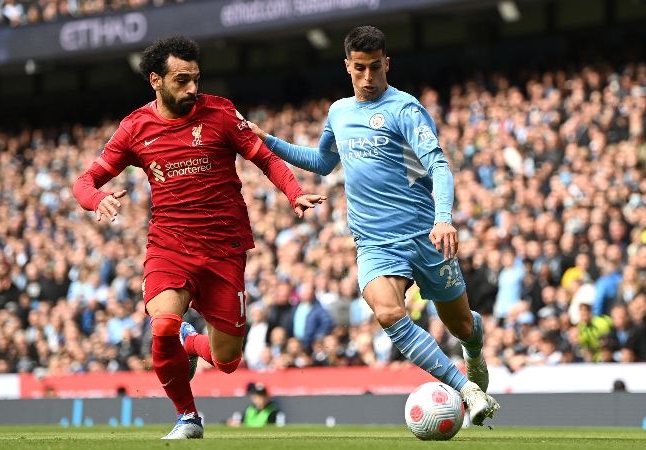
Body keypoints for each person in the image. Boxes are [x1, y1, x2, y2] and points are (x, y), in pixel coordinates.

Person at [73, 36, 325, 440]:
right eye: (182, 80)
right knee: (163, 325)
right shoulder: (135, 127)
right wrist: (97, 199)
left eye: (196, 79)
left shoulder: (221, 113)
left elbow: (266, 158)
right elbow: (84, 181)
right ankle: (188, 416)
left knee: (227, 361)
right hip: (169, 246)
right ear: (155, 80)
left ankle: (191, 344)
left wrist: (294, 193)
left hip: (225, 250)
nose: (192, 88)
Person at [248, 25, 499, 425]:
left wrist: (444, 218)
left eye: (376, 67)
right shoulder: (339, 112)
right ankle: (464, 387)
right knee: (387, 312)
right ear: (347, 65)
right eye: (360, 68)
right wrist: (269, 141)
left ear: (388, 63)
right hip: (375, 242)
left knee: (462, 325)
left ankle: (473, 350)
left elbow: (438, 166)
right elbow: (323, 162)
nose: (368, 78)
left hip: (425, 236)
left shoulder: (406, 110)